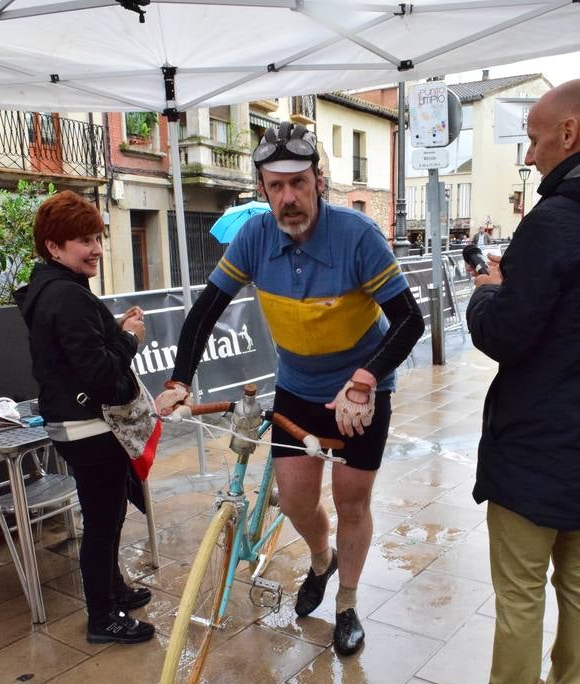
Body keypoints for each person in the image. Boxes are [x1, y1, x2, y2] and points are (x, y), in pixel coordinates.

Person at [157, 122, 424, 655]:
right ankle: (320, 560)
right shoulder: (254, 237)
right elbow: (205, 312)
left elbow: (409, 321)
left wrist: (367, 378)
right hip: (298, 387)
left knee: (353, 502)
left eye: (298, 183)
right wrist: (180, 379)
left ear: (317, 182)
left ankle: (347, 602)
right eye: (276, 187)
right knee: (299, 502)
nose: (288, 197)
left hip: (359, 390)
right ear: (262, 190)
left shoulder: (358, 235)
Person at [432, 79, 580, 684]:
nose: (530, 149)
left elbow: (509, 334)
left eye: (535, 135)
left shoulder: (554, 220)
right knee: (577, 581)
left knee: (521, 586)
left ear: (570, 134)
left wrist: (487, 294)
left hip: (541, 438)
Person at [15, 191, 155, 644]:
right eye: (82, 240)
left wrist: (110, 330)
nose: (95, 247)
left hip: (74, 425)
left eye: (97, 236)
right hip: (90, 428)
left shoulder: (52, 292)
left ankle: (114, 590)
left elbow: (75, 355)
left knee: (107, 516)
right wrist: (130, 339)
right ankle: (103, 617)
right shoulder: (67, 296)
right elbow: (100, 376)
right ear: (54, 248)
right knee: (101, 521)